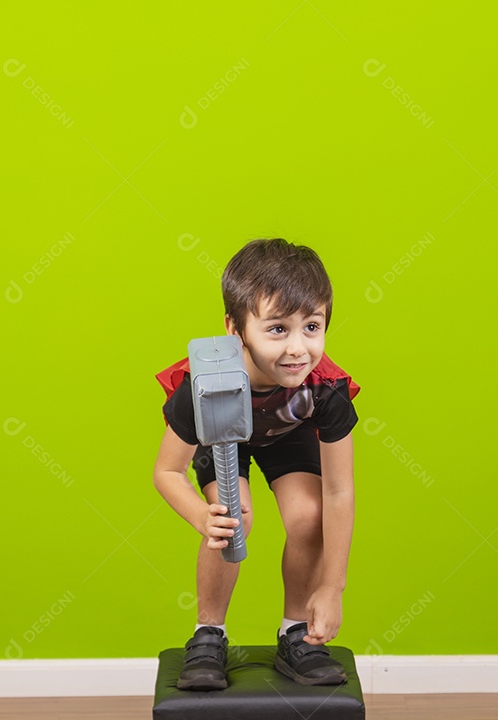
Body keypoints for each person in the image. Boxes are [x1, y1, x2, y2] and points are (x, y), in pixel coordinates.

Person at [153, 237, 360, 690]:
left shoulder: (324, 388)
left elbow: (339, 491)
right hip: (223, 430)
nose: (298, 349)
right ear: (236, 329)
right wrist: (200, 516)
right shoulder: (203, 385)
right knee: (233, 516)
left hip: (288, 434)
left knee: (309, 516)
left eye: (312, 326)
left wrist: (332, 587)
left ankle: (295, 633)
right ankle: (209, 632)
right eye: (277, 329)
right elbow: (167, 472)